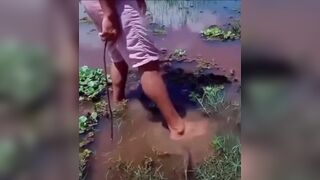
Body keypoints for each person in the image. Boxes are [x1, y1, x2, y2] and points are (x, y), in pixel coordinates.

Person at [82, 0, 186, 139]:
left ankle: (118, 103)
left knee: (117, 55)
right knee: (147, 63)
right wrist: (110, 14)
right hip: (116, 5)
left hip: (95, 4)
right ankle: (177, 126)